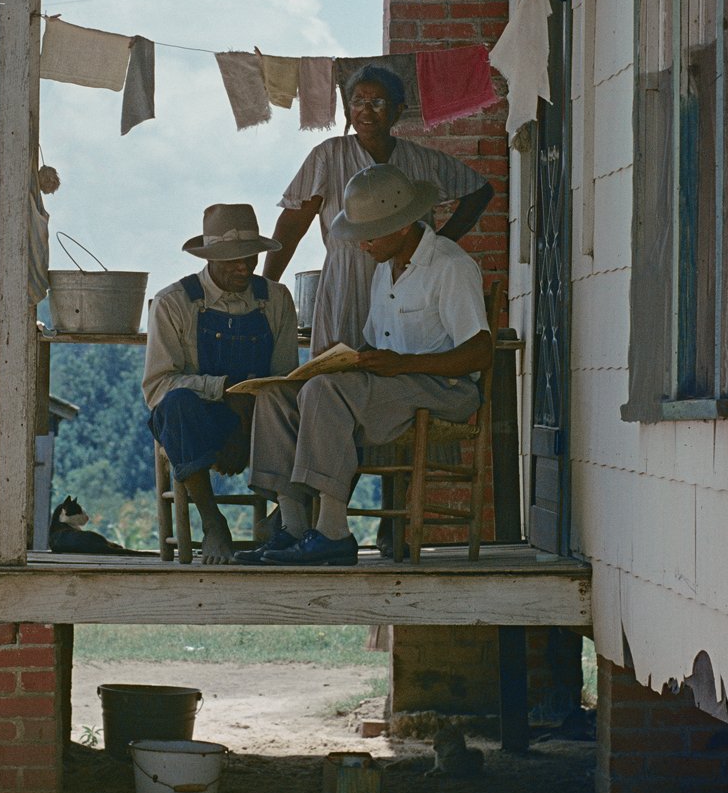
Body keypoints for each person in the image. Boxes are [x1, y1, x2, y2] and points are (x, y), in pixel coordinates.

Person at [237, 163, 492, 566]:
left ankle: (333, 533)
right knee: (276, 395)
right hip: (392, 387)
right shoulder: (384, 271)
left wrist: (403, 365)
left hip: (446, 390)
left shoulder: (450, 266)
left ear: (403, 226)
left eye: (369, 235)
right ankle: (295, 528)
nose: (361, 245)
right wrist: (345, 361)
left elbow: (480, 353)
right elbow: (378, 345)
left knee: (323, 393)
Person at [264, 63, 492, 356]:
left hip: (411, 278)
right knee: (337, 370)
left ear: (398, 110)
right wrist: (267, 289)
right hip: (347, 282)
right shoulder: (329, 155)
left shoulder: (421, 160)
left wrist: (439, 243)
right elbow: (292, 226)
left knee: (399, 361)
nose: (366, 111)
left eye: (377, 102)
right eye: (358, 102)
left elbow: (479, 190)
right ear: (348, 110)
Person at [143, 203, 299, 564]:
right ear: (210, 257)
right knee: (175, 406)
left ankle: (290, 520)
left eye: (251, 257)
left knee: (322, 404)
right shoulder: (173, 303)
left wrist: (247, 419)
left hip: (263, 420)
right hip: (202, 424)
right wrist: (224, 390)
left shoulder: (276, 299)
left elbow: (284, 379)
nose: (244, 267)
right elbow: (157, 386)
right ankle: (213, 524)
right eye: (231, 259)